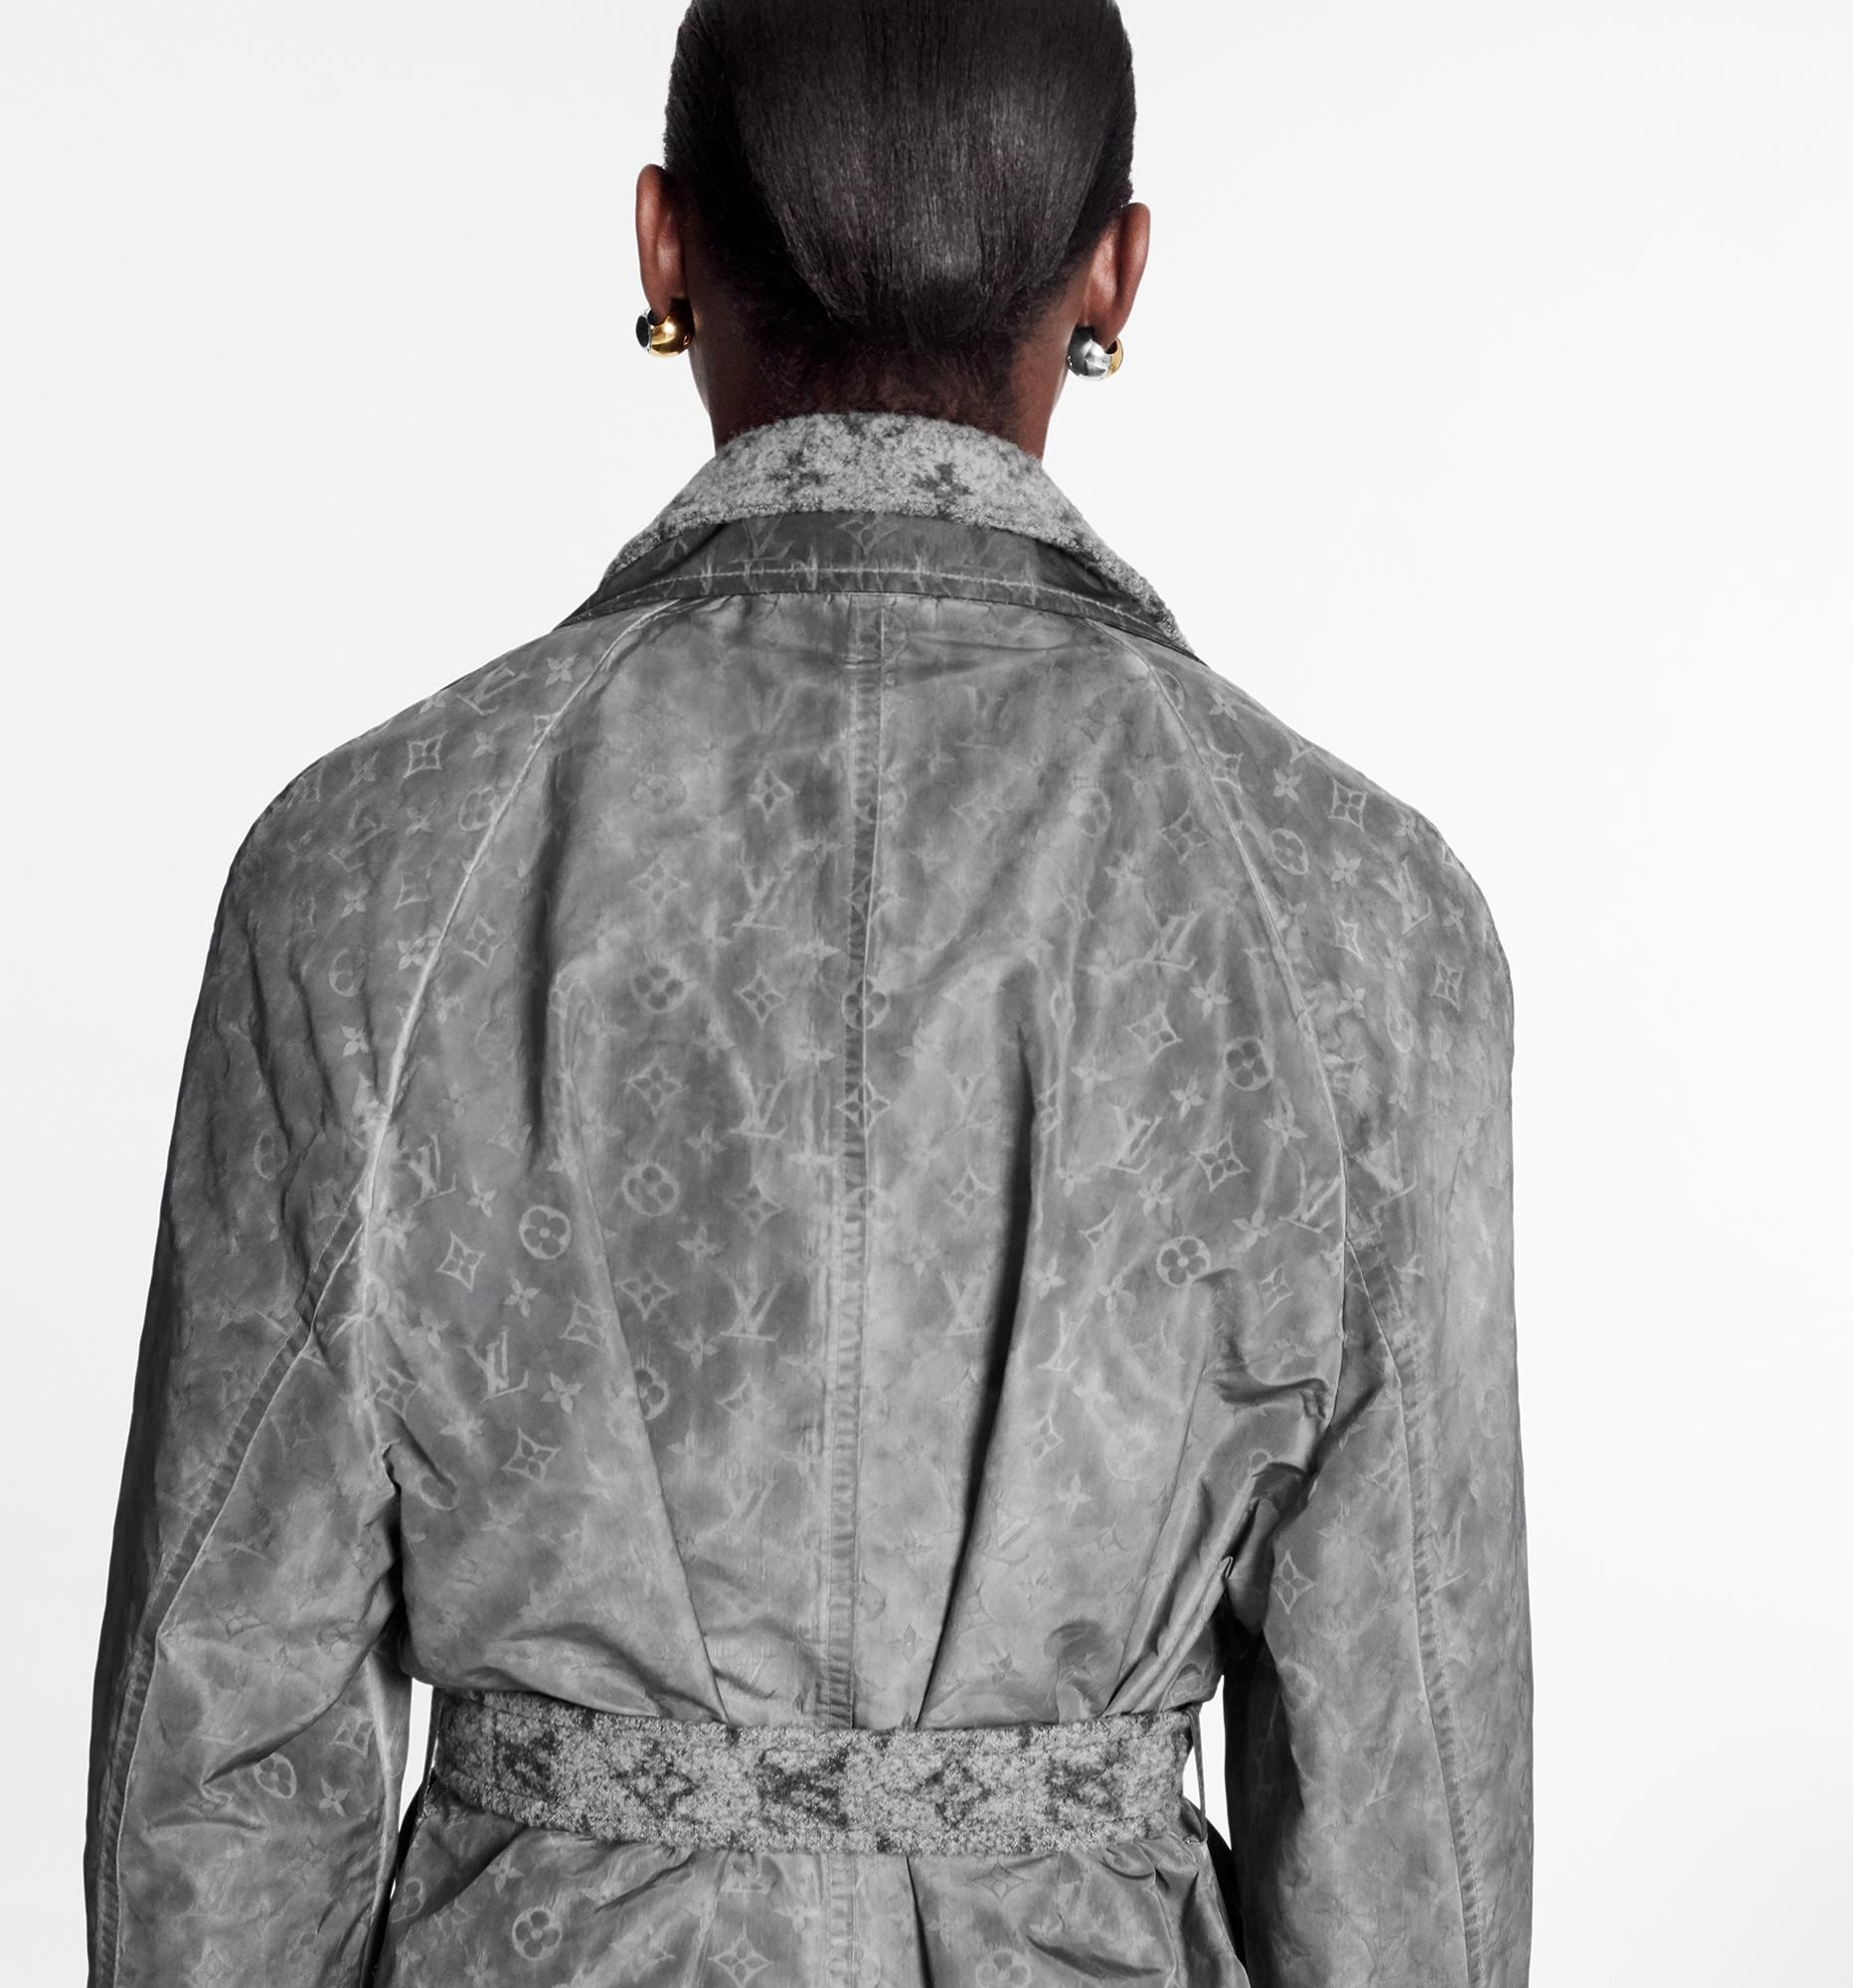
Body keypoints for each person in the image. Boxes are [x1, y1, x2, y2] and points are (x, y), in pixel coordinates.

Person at [84, 1, 1533, 1982]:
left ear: (664, 241)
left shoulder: (365, 868)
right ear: (1116, 269)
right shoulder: (1361, 914)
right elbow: (1407, 1792)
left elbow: (219, 1742)